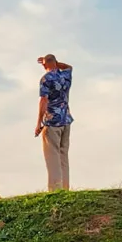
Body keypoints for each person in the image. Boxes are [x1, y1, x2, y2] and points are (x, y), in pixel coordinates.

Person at [35, 53, 73, 191]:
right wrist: (54, 62)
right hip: (66, 119)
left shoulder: (46, 79)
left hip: (52, 122)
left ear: (44, 64)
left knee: (53, 157)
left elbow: (44, 100)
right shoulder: (66, 75)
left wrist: (38, 122)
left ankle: (55, 189)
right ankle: (65, 188)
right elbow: (69, 66)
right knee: (63, 156)